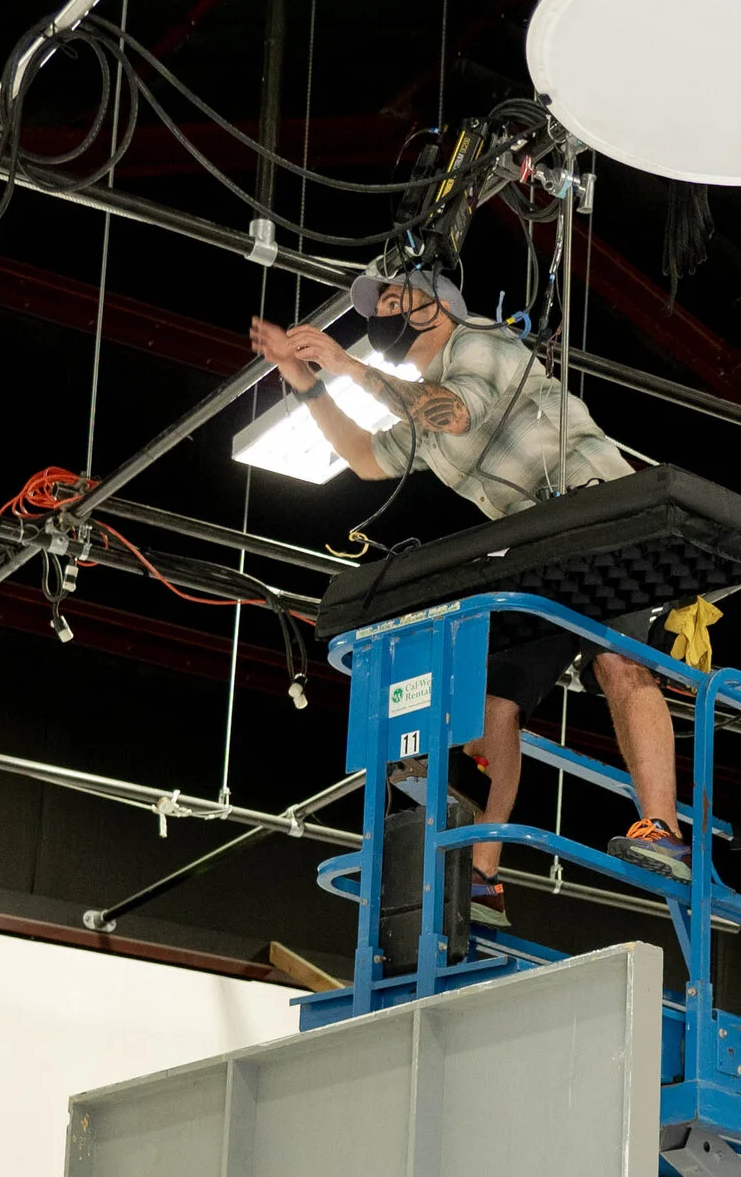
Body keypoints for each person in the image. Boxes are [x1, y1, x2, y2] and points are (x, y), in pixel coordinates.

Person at [248, 269, 688, 898]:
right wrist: (303, 380)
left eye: (399, 301)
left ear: (441, 306)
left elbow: (453, 413)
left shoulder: (478, 341)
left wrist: (346, 365)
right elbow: (367, 457)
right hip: (540, 549)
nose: (386, 315)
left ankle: (663, 831)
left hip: (605, 513)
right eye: (383, 307)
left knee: (617, 663)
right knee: (491, 706)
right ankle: (484, 872)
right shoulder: (416, 402)